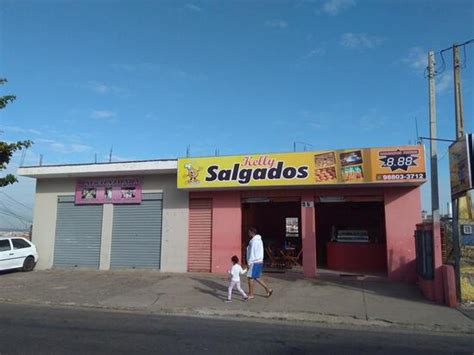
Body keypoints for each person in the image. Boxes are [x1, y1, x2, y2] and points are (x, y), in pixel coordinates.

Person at [246, 227, 273, 299]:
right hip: (259, 261)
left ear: (252, 232)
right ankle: (268, 289)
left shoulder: (253, 241)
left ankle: (251, 294)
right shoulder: (259, 240)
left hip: (254, 262)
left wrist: (249, 263)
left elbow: (252, 253)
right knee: (256, 277)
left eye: (249, 232)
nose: (248, 233)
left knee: (250, 278)